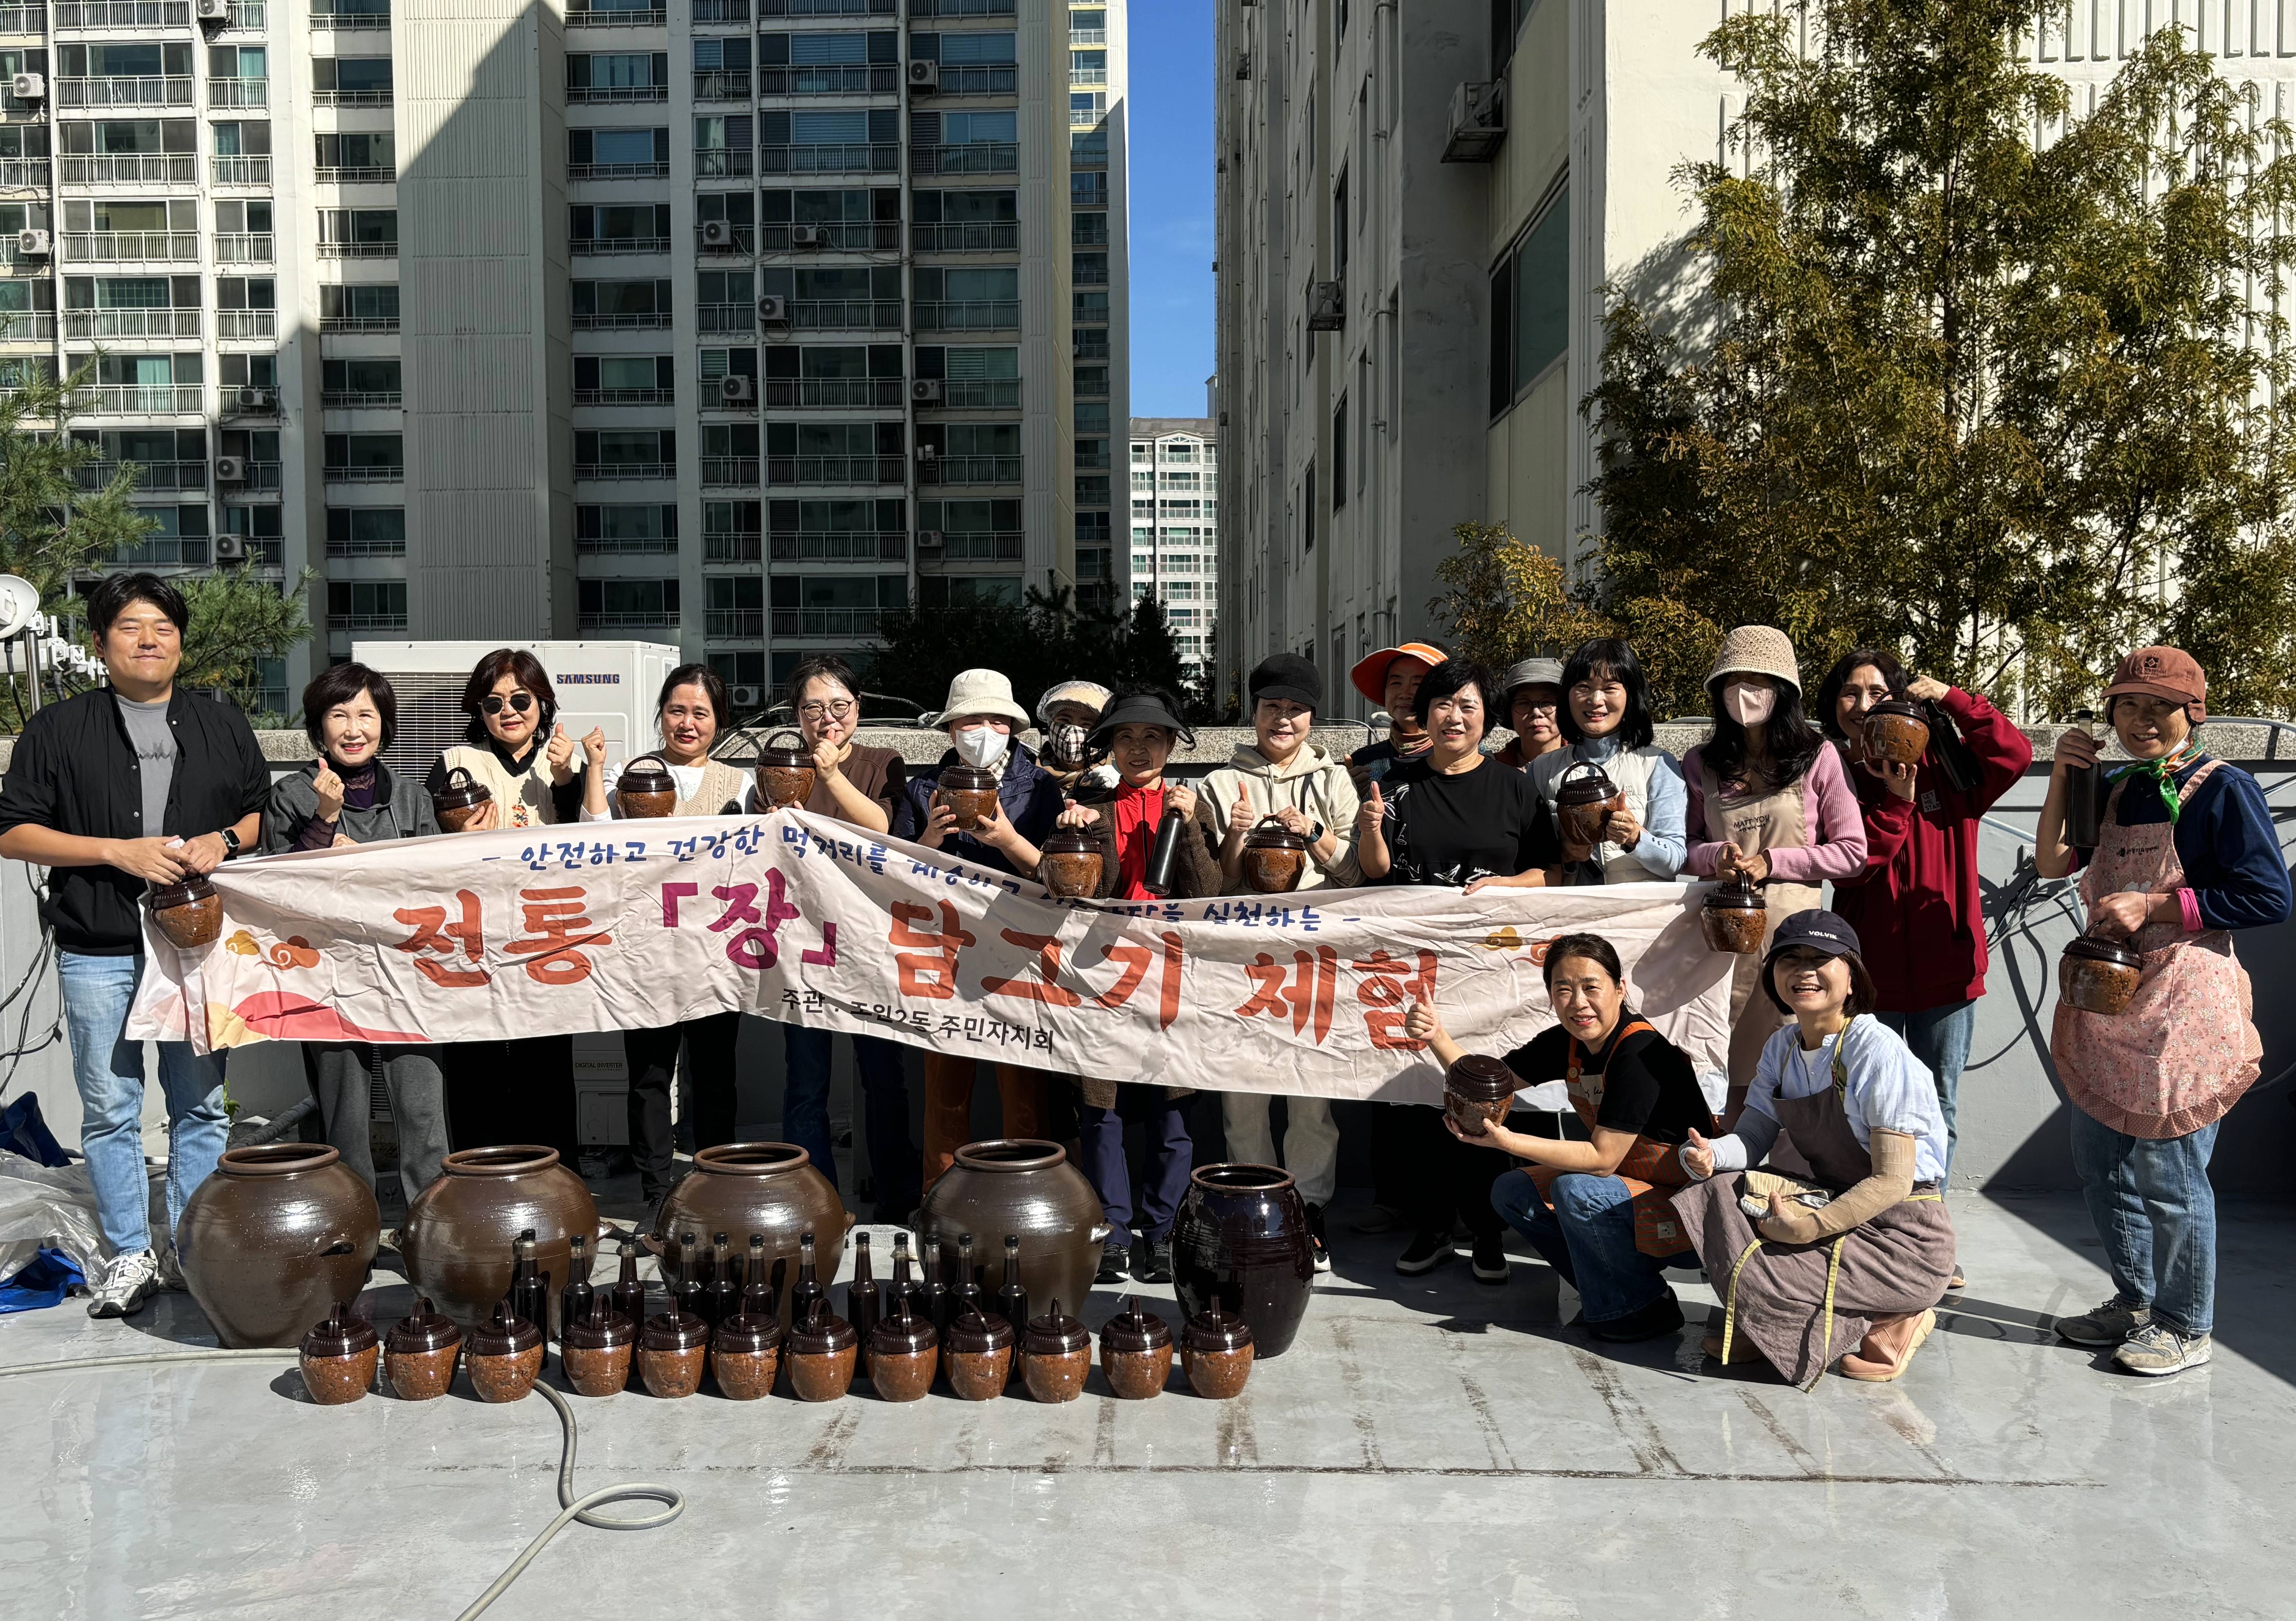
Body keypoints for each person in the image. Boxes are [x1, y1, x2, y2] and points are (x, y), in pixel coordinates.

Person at [0, 573, 268, 1317]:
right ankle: (128, 1253)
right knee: (112, 1108)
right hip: (98, 944)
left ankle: (192, 1249)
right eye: (130, 627)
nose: (149, 639)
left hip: (196, 947)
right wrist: (117, 852)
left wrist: (221, 840)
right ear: (99, 642)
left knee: (202, 1106)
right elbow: (12, 831)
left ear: (180, 643)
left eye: (163, 627)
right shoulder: (58, 729)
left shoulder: (222, 723)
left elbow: (257, 815)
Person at [2035, 647, 2289, 1378]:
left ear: (2192, 713)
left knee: (2171, 1170)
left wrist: (2155, 904)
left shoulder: (2222, 787)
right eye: (2127, 705)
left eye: (2158, 706)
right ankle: (2136, 1299)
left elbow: (2269, 894)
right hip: (2112, 1001)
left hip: (2184, 999)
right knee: (2099, 1159)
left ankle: (2186, 1323)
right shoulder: (2112, 787)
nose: (2140, 720)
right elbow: (2055, 864)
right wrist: (2063, 773)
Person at [1672, 911, 1955, 1386]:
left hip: (1902, 1239)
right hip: (1834, 1204)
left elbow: (1892, 1179)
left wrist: (1806, 1230)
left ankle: (1899, 1315)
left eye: (1820, 958)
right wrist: (1710, 1155)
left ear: (1851, 977)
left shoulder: (1875, 1050)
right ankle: (1773, 1319)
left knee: (1760, 1265)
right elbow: (1754, 1138)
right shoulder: (1781, 1047)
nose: (1803, 969)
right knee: (1715, 1194)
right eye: (1790, 958)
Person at [1356, 656, 1562, 1281]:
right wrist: (1369, 830)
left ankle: (1486, 1228)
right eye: (1443, 704)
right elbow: (1375, 875)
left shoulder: (1514, 786)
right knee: (1422, 1099)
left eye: (1468, 706)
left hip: (1492, 971)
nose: (1454, 716)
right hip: (1417, 970)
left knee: (1485, 1088)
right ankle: (1432, 1226)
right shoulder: (1396, 785)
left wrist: (1505, 884)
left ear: (1485, 718)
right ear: (1426, 714)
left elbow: (1550, 871)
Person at [1404, 934, 1714, 1342]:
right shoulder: (1567, 1043)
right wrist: (1436, 1036)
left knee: (1577, 1190)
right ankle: (1633, 1292)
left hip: (1692, 1212)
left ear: (1620, 989)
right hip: (1633, 1191)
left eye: (1591, 987)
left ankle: (1635, 1308)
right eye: (1562, 989)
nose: (1577, 1002)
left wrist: (1508, 1142)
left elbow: (1603, 1160)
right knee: (1513, 1190)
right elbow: (1492, 1085)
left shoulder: (1641, 1053)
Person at [1818, 648, 2031, 1219]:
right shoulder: (1831, 775)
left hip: (1947, 970)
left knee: (1937, 1105)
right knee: (1864, 1104)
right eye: (1849, 693)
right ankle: (1870, 1224)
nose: (1862, 705)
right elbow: (1852, 865)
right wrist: (1895, 803)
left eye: (1875, 692)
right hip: (1868, 978)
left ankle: (1925, 1233)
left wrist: (1956, 700)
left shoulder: (1949, 769)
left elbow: (2014, 753)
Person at [1052, 685, 1221, 1283]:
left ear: (1172, 745)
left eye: (1152, 736)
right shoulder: (1087, 805)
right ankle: (1113, 1232)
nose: (1139, 748)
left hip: (1173, 978)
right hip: (1101, 978)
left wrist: (1189, 825)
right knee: (1102, 1113)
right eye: (1125, 737)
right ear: (1110, 747)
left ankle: (1162, 1230)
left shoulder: (1190, 805)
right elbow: (1064, 890)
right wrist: (1067, 833)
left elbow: (1212, 897)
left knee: (1174, 1116)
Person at [1196, 652, 1359, 1270]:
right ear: (1254, 712)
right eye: (1272, 707)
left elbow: (1351, 872)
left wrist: (1313, 829)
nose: (1283, 720)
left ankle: (1307, 1209)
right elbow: (1216, 884)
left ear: (1312, 718)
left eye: (1295, 710)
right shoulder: (1218, 783)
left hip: (1312, 957)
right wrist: (1237, 834)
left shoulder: (1334, 781)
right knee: (1241, 1093)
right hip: (1240, 960)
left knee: (1309, 1094)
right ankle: (1251, 1204)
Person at [263, 662, 448, 1204]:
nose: (353, 728)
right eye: (338, 714)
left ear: (384, 726)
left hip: (406, 971)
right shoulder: (290, 796)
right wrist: (324, 818)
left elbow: (433, 883)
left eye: (366, 714)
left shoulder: (412, 797)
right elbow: (278, 886)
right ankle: (354, 1225)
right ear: (318, 727)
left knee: (421, 1107)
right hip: (326, 973)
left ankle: (430, 1227)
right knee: (344, 1111)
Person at [578, 664, 749, 1209]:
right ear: (660, 715)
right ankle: (655, 1193)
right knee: (649, 1076)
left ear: (718, 721)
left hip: (716, 952)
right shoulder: (633, 773)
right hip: (648, 949)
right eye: (676, 710)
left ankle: (717, 1184)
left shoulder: (738, 782)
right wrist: (596, 768)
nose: (687, 722)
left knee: (715, 1074)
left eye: (700, 712)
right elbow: (595, 842)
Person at [1681, 626, 1868, 1112]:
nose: (1744, 693)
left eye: (1757, 680)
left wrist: (1773, 861)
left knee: (1799, 1063)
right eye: (1733, 680)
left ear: (1783, 690)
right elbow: (1685, 847)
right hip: (1722, 940)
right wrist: (1714, 857)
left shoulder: (1818, 757)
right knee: (1726, 1065)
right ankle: (1728, 1170)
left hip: (1795, 939)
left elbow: (1851, 851)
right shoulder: (1701, 763)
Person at [893, 668, 1066, 1190]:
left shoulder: (1039, 788)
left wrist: (1008, 839)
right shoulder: (921, 789)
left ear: (1013, 728)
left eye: (996, 719)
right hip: (941, 954)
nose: (983, 730)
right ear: (950, 729)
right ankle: (940, 1199)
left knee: (1024, 1089)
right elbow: (892, 874)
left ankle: (1025, 1198)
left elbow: (1060, 878)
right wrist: (928, 838)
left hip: (1019, 956)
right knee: (945, 1089)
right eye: (971, 720)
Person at [426, 647, 600, 1159]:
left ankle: (553, 1185)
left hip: (544, 940)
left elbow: (592, 847)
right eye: (492, 702)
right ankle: (480, 1184)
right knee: (475, 1064)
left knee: (544, 1066)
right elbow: (421, 849)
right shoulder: (455, 764)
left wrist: (570, 777)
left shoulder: (558, 767)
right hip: (473, 941)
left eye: (521, 699)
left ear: (543, 704)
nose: (509, 711)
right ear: (477, 712)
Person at [772, 656, 919, 1222]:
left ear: (858, 710)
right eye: (812, 708)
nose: (827, 719)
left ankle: (898, 1194)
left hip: (868, 945)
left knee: (883, 1075)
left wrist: (830, 774)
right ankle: (815, 1200)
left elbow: (880, 829)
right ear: (795, 715)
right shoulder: (780, 765)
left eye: (839, 706)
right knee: (805, 1081)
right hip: (799, 946)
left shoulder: (883, 762)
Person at [1528, 638, 1688, 884]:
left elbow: (1676, 860)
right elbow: (1528, 857)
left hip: (1639, 916)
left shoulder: (1658, 764)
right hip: (1568, 915)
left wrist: (1635, 837)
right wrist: (1565, 852)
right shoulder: (1541, 769)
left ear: (1630, 696)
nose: (1596, 700)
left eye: (1610, 688)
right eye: (1584, 687)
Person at [1344, 638, 1447, 789]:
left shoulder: (1467, 760)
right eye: (1396, 683)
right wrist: (1348, 799)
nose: (1405, 694)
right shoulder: (1363, 762)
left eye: (1418, 684)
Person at [1033, 678, 1118, 800]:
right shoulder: (1028, 777)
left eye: (1086, 724)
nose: (1071, 731)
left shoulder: (1117, 778)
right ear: (1051, 724)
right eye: (1064, 721)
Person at [1492, 658, 1566, 771]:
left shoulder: (1586, 767)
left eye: (1547, 702)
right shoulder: (1492, 770)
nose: (1536, 712)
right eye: (1523, 703)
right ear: (1509, 712)